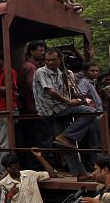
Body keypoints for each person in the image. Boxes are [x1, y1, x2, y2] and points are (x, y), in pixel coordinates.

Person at [33, 48, 99, 179]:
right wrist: (68, 102)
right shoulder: (41, 72)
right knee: (90, 112)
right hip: (51, 109)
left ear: (60, 59)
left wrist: (83, 99)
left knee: (65, 143)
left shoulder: (64, 73)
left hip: (61, 108)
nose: (50, 62)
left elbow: (70, 91)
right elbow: (51, 91)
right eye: (47, 60)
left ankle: (80, 173)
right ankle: (67, 136)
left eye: (53, 60)